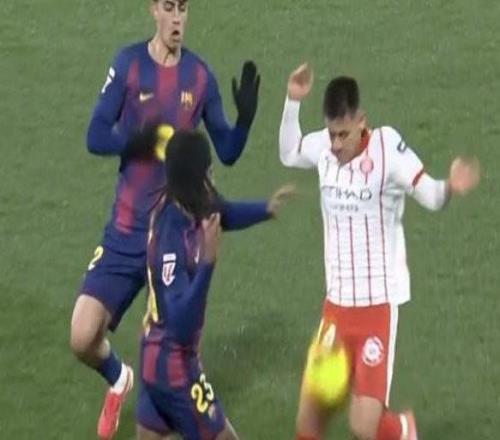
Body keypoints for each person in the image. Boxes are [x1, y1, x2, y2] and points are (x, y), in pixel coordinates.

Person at [70, 1, 260, 438]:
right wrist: (134, 141)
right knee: (81, 337)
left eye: (183, 9)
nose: (177, 18)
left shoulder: (200, 76)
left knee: (176, 357)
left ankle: (183, 417)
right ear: (154, 10)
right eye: (169, 8)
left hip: (172, 236)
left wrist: (245, 121)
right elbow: (95, 135)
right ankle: (119, 378)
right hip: (125, 232)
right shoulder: (129, 65)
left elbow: (227, 151)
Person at [279, 64, 480, 440]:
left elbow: (431, 196)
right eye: (332, 134)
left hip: (376, 309)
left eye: (343, 134)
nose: (336, 144)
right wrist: (293, 100)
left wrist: (450, 186)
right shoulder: (324, 147)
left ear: (361, 122)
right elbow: (289, 152)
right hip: (335, 308)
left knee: (363, 426)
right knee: (308, 424)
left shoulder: (389, 149)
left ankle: (403, 430)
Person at [137, 129, 294, 440]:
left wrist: (265, 209)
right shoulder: (171, 240)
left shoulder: (190, 202)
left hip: (154, 359)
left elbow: (223, 213)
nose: (212, 176)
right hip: (174, 366)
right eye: (208, 171)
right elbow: (180, 324)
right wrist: (208, 261)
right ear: (195, 178)